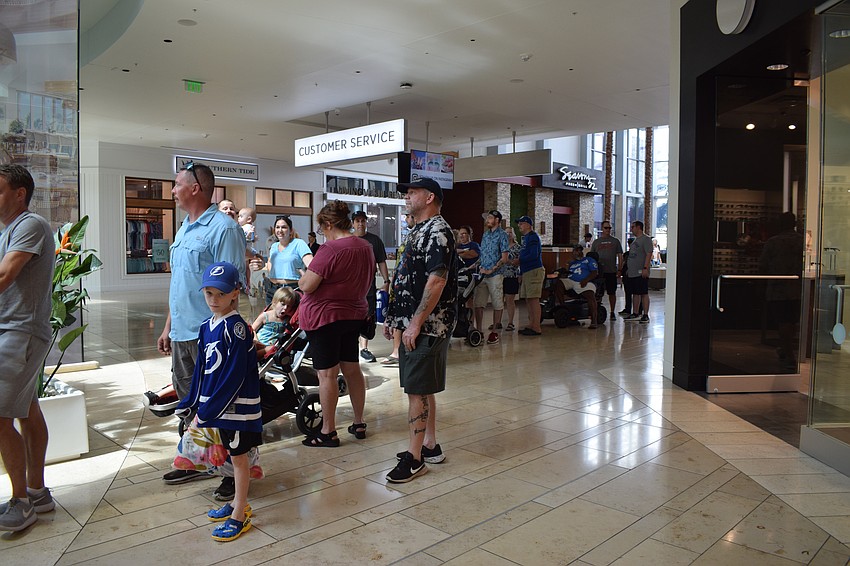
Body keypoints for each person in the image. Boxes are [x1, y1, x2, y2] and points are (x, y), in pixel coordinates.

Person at [157, 161, 246, 489]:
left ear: (195, 188)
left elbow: (233, 286)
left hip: (212, 335)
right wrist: (169, 326)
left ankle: (230, 475)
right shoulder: (183, 227)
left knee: (220, 405)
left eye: (177, 184)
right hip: (182, 333)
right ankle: (193, 461)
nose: (173, 190)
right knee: (188, 404)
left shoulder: (224, 229)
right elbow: (181, 283)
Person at [175, 262, 262, 542]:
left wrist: (210, 409)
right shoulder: (206, 326)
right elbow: (202, 367)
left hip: (237, 410)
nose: (214, 300)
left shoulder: (236, 328)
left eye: (221, 294)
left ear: (235, 293)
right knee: (228, 457)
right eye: (209, 293)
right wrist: (191, 400)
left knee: (238, 460)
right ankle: (238, 502)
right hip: (217, 407)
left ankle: (240, 514)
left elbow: (235, 374)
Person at [384, 177, 456, 483]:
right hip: (413, 323)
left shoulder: (439, 230)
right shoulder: (419, 231)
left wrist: (414, 323)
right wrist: (394, 318)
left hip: (428, 325)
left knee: (416, 390)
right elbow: (406, 278)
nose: (407, 197)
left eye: (412, 192)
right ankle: (429, 445)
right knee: (423, 387)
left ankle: (414, 460)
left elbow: (436, 280)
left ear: (429, 197)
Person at [0, 165, 56, 532]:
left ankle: (21, 502)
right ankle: (37, 492)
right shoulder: (8, 230)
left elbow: (4, 277)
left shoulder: (29, 225)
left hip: (19, 331)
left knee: (0, 415)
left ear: (19, 193)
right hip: (13, 330)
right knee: (26, 410)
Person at [298, 200, 373, 446]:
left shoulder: (330, 250)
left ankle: (328, 431)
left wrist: (301, 280)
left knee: (327, 374)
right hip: (353, 315)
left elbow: (308, 285)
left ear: (329, 224)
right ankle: (359, 421)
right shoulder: (365, 246)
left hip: (325, 317)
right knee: (352, 368)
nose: (323, 234)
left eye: (323, 229)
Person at [759, 212, 804, 370]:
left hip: (778, 288)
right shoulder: (802, 241)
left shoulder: (773, 242)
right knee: (791, 321)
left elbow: (763, 264)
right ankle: (786, 350)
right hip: (797, 288)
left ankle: (789, 353)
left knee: (783, 321)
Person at [352, 210, 389, 363]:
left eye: (363, 221)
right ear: (353, 223)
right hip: (350, 287)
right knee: (350, 317)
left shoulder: (374, 240)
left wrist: (386, 282)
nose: (360, 223)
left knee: (367, 317)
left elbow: (381, 262)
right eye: (357, 221)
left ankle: (364, 348)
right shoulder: (348, 240)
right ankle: (350, 347)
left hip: (368, 286)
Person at [250, 215, 313, 306]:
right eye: (277, 227)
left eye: (284, 227)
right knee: (271, 319)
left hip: (291, 289)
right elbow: (270, 265)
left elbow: (312, 266)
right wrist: (260, 265)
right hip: (272, 289)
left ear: (291, 230)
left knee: (290, 319)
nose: (280, 230)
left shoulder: (298, 243)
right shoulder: (274, 246)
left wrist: (304, 275)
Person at [381, 212, 415, 366]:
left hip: (409, 287)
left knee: (402, 319)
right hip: (399, 284)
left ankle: (398, 352)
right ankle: (396, 351)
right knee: (396, 318)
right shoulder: (408, 236)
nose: (406, 219)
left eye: (408, 216)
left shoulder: (418, 237)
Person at [474, 210, 509, 344]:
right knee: (479, 303)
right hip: (482, 273)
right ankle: (479, 330)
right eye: (487, 218)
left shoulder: (503, 235)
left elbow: (504, 258)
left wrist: (492, 269)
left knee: (497, 303)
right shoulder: (485, 235)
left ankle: (495, 331)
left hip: (496, 275)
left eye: (490, 218)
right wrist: (476, 265)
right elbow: (483, 254)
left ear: (497, 220)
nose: (487, 220)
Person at [515, 216, 545, 336]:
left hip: (534, 270)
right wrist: (521, 272)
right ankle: (531, 324)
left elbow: (533, 255)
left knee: (533, 299)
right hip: (527, 271)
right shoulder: (525, 238)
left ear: (528, 225)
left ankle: (536, 327)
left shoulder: (532, 237)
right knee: (528, 299)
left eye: (521, 223)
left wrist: (519, 260)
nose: (519, 226)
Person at [252, 286, 297, 363]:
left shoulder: (287, 320)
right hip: (259, 343)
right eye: (283, 304)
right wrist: (256, 340)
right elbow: (252, 329)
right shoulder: (265, 316)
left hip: (271, 348)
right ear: (274, 302)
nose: (285, 308)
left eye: (289, 306)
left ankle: (252, 358)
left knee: (271, 349)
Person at [590, 221, 624, 321]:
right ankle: (597, 311)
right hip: (599, 272)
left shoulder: (615, 241)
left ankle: (612, 312)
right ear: (602, 229)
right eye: (606, 228)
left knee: (611, 292)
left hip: (611, 271)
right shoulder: (596, 242)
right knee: (598, 292)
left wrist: (620, 269)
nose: (608, 230)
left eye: (609, 228)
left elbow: (620, 255)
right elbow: (592, 257)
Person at [564, 244, 601, 329]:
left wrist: (586, 280)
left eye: (580, 250)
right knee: (557, 284)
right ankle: (564, 310)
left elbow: (594, 272)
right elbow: (567, 273)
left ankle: (594, 320)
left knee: (590, 295)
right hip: (571, 281)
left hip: (585, 281)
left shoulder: (589, 260)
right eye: (576, 251)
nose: (578, 252)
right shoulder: (571, 263)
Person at [623, 221, 653, 324]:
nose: (631, 229)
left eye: (633, 227)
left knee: (643, 292)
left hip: (641, 271)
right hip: (632, 272)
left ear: (638, 227)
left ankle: (645, 314)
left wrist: (645, 268)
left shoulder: (646, 239)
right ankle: (635, 313)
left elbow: (649, 254)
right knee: (635, 293)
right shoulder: (636, 240)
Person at [502, 228, 521, 332]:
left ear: (513, 235)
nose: (508, 234)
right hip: (501, 276)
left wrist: (508, 261)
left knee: (509, 300)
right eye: (506, 233)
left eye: (510, 233)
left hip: (512, 275)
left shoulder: (518, 247)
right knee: (499, 299)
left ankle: (510, 322)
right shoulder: (501, 246)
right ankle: (497, 321)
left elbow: (518, 262)